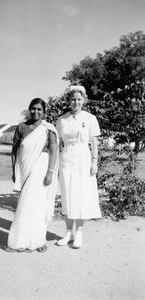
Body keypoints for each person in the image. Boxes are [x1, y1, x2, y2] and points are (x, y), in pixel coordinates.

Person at [6, 98, 58, 253]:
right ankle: (18, 242)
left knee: (37, 206)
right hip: (24, 169)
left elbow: (54, 152)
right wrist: (14, 172)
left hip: (41, 170)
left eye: (39, 109)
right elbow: (15, 151)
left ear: (44, 112)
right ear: (29, 109)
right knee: (23, 204)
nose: (36, 112)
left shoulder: (48, 129)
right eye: (33, 108)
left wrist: (50, 172)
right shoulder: (21, 127)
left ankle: (37, 241)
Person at [56, 85, 101, 249]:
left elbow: (94, 142)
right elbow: (57, 142)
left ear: (84, 100)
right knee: (67, 195)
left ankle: (79, 234)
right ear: (69, 101)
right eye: (73, 99)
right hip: (66, 159)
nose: (76, 102)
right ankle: (68, 233)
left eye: (79, 99)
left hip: (84, 159)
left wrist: (94, 161)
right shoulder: (62, 120)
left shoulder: (90, 118)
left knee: (81, 196)